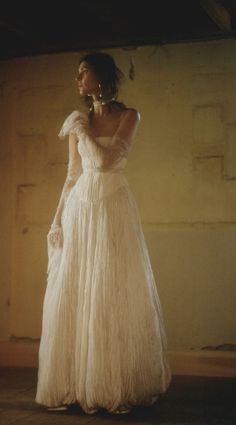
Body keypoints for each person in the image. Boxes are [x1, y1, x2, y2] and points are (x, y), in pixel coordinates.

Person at [35, 51, 172, 415]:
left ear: (101, 76)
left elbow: (104, 162)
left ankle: (110, 383)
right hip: (81, 210)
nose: (78, 81)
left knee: (109, 290)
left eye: (83, 73)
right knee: (77, 291)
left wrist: (81, 130)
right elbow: (72, 175)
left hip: (112, 210)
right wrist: (56, 220)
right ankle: (78, 384)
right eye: (77, 74)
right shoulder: (79, 120)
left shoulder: (129, 116)